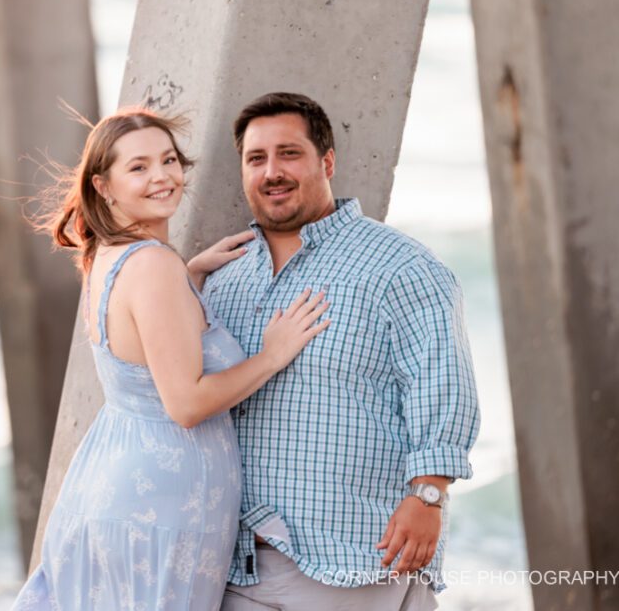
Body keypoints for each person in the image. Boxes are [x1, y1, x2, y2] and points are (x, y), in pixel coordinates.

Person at [13, 108, 329, 611]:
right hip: (159, 507)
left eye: (168, 160)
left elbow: (142, 340)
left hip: (112, 487)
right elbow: (185, 403)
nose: (161, 176)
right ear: (104, 185)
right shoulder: (154, 267)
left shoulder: (109, 255)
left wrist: (191, 275)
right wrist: (272, 355)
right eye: (138, 168)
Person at [187, 92, 480, 611]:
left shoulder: (400, 267)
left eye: (289, 153)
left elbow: (442, 385)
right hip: (234, 565)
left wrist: (428, 494)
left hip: (352, 557)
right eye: (256, 159)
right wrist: (188, 278)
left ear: (327, 161)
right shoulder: (224, 280)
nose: (272, 171)